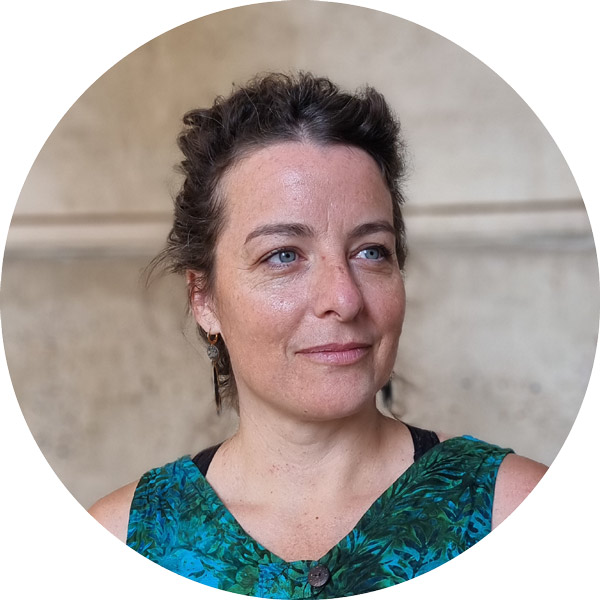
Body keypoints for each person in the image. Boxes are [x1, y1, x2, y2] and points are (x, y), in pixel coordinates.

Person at [89, 72, 547, 597]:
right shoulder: (121, 539)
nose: (344, 298)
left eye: (371, 251)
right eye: (283, 255)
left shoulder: (517, 511)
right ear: (204, 299)